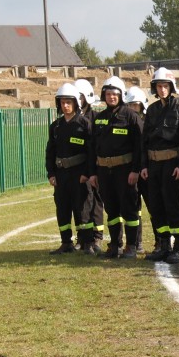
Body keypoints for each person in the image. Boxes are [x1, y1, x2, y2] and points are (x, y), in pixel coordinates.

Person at [142, 67, 179, 264]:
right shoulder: (152, 110)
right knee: (156, 205)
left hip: (172, 164)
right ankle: (164, 246)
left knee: (173, 204)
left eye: (165, 86)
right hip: (153, 165)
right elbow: (144, 140)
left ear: (171, 87)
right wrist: (144, 165)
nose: (162, 89)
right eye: (159, 86)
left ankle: (178, 247)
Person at [89, 76, 142, 259]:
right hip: (104, 171)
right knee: (111, 209)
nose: (111, 97)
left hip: (125, 171)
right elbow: (92, 148)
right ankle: (115, 245)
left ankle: (132, 246)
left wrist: (135, 170)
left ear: (121, 95)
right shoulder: (99, 118)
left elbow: (139, 146)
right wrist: (93, 173)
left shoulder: (131, 117)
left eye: (115, 94)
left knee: (129, 208)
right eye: (108, 94)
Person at [45, 83, 95, 254]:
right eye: (62, 102)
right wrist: (51, 173)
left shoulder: (84, 124)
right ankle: (66, 242)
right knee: (62, 208)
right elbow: (50, 151)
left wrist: (87, 173)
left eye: (68, 102)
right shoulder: (56, 126)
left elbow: (91, 152)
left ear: (75, 103)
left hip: (79, 174)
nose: (65, 105)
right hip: (61, 175)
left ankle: (87, 242)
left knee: (83, 209)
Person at [74, 78, 104, 253]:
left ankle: (97, 237)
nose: (78, 100)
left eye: (80, 96)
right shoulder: (71, 119)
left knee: (96, 201)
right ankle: (83, 237)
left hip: (94, 166)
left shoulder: (96, 118)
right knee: (81, 203)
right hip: (78, 168)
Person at [124, 86, 152, 254]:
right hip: (131, 170)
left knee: (153, 206)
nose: (133, 108)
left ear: (142, 105)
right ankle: (136, 242)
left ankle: (160, 242)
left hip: (147, 171)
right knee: (134, 208)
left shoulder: (149, 122)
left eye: (136, 105)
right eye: (130, 105)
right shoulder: (125, 122)